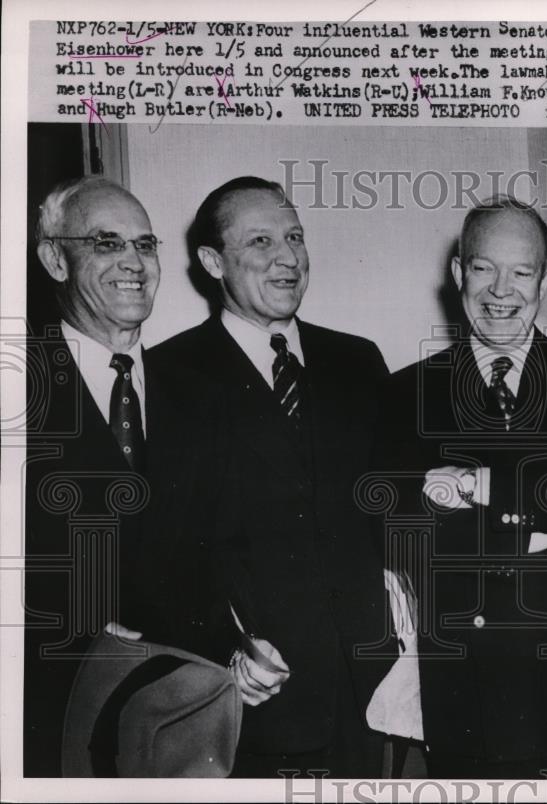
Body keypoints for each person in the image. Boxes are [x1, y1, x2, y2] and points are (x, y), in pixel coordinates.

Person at [375, 197, 547, 778]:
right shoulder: (402, 394)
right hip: (466, 693)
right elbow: (403, 536)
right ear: (457, 273)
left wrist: (471, 488)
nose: (501, 290)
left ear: (546, 279)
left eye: (521, 272)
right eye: (483, 268)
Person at [149, 176, 392, 778]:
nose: (287, 257)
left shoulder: (358, 361)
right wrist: (223, 652)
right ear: (212, 262)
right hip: (257, 690)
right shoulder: (168, 378)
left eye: (295, 237)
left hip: (371, 687)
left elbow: (395, 501)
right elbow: (164, 553)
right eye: (261, 241)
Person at [25, 176, 162, 775]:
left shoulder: (195, 387)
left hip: (179, 712)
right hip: (53, 715)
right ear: (56, 258)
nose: (134, 263)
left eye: (146, 244)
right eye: (107, 243)